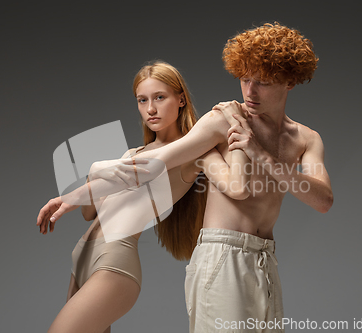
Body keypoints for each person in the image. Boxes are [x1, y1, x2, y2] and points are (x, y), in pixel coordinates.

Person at [37, 61, 250, 333]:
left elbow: (235, 185)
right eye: (142, 100)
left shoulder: (192, 154)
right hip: (83, 257)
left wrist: (95, 169)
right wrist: (93, 175)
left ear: (181, 99)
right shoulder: (133, 154)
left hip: (115, 262)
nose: (150, 109)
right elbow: (89, 212)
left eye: (160, 97)